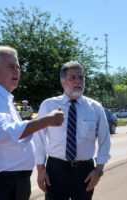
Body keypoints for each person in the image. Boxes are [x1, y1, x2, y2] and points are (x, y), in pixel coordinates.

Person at [0, 46, 65, 200]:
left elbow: (15, 136)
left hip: (15, 181)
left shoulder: (3, 99)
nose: (17, 71)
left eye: (18, 67)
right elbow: (2, 134)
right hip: (6, 183)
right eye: (11, 67)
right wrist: (46, 121)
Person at [33, 61, 111, 200]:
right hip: (56, 170)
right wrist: (40, 169)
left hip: (85, 172)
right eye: (72, 78)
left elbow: (105, 140)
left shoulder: (95, 108)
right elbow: (38, 139)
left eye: (81, 77)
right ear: (63, 81)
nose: (78, 81)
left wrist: (98, 170)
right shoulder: (48, 105)